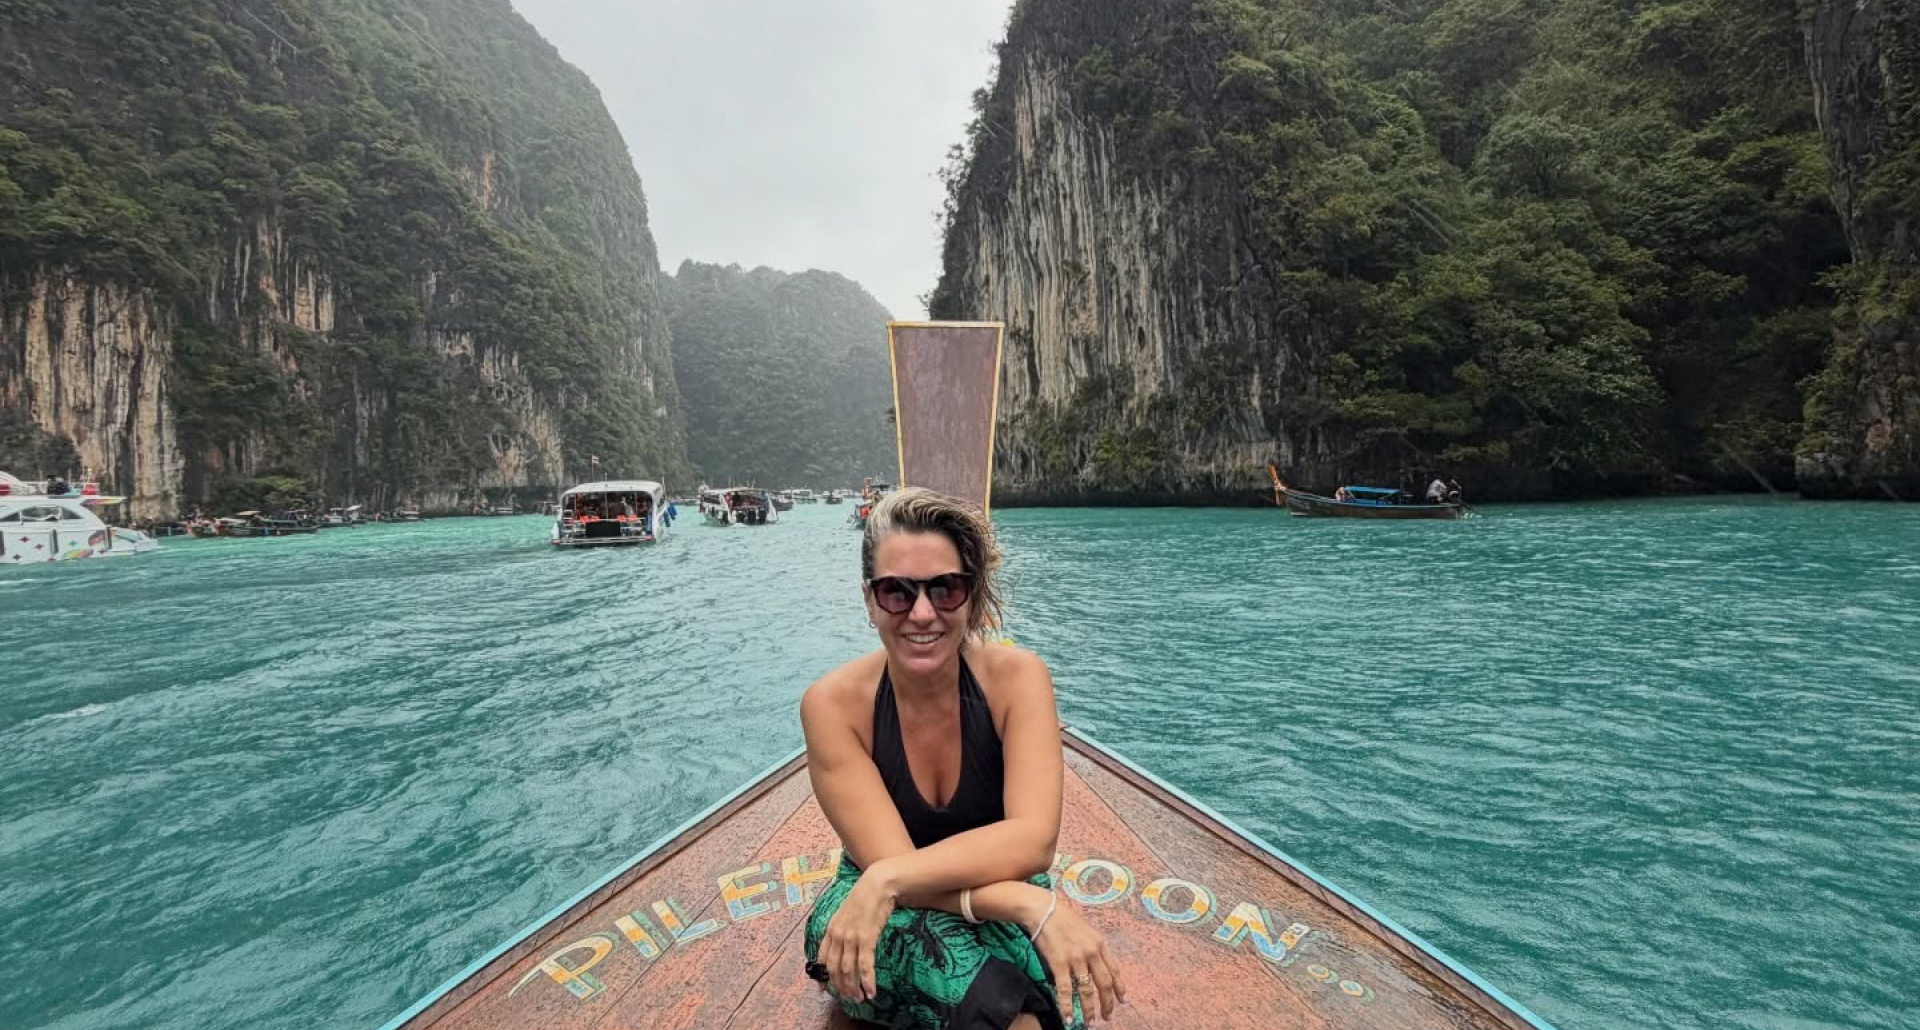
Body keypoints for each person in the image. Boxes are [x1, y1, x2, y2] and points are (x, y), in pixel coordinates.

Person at [801, 488, 1122, 1030]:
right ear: (869, 600)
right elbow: (893, 873)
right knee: (999, 999)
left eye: (944, 589)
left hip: (924, 892)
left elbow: (1034, 840)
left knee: (1065, 999)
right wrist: (1029, 908)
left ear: (968, 596)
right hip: (875, 917)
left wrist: (889, 879)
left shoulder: (1017, 680)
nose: (922, 613)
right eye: (896, 592)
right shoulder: (833, 706)